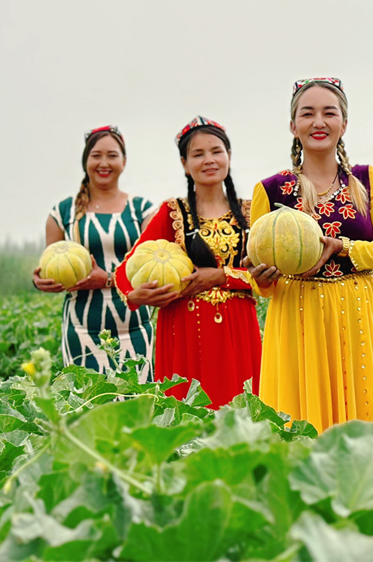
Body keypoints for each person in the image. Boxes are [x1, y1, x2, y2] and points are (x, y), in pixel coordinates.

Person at [248, 77, 373, 433]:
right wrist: (261, 280)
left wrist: (345, 247)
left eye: (329, 113)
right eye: (307, 114)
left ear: (344, 123)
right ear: (293, 126)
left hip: (356, 315)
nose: (318, 122)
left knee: (362, 427)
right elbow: (261, 280)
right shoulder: (269, 189)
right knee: (300, 428)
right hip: (296, 318)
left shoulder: (368, 181)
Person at [114, 116, 261, 408]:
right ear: (184, 163)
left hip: (238, 331)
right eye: (198, 154)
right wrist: (136, 295)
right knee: (190, 421)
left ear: (229, 156)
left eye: (216, 151)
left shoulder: (251, 212)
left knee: (244, 417)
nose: (209, 160)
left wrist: (222, 276)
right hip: (184, 333)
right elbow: (125, 272)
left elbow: (270, 273)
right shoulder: (172, 214)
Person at [32, 125, 156, 379]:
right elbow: (50, 264)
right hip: (81, 331)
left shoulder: (143, 210)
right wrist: (39, 281)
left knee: (138, 409)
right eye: (96, 155)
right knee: (88, 410)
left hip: (135, 328)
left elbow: (151, 269)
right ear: (85, 161)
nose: (104, 162)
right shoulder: (61, 212)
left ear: (124, 160)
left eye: (112, 155)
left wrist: (108, 279)